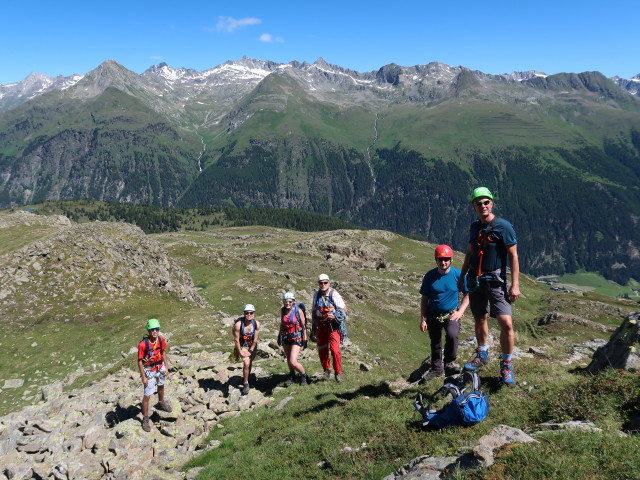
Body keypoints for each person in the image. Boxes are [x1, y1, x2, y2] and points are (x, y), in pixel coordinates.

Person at [457, 187, 521, 387]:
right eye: (479, 203)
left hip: (496, 281)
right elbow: (469, 252)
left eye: (486, 202)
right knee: (480, 317)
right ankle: (482, 353)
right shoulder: (474, 227)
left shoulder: (504, 227)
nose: (483, 206)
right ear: (474, 206)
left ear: (491, 203)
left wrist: (515, 285)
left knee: (506, 323)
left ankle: (507, 363)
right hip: (476, 280)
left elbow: (513, 256)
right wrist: (462, 275)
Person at [419, 244, 470, 381]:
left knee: (452, 336)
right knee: (435, 342)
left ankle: (449, 363)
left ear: (451, 260)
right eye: (440, 259)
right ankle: (436, 368)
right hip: (433, 314)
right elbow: (425, 298)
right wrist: (423, 318)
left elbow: (467, 295)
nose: (443, 262)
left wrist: (460, 312)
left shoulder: (458, 275)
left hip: (451, 313)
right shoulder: (430, 276)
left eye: (446, 259)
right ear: (436, 260)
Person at [137, 318, 172, 432]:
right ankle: (145, 419)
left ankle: (161, 403)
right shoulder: (143, 345)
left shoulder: (161, 340)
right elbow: (140, 361)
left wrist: (166, 366)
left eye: (157, 329)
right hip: (149, 370)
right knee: (147, 395)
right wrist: (143, 376)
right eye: (152, 329)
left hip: (159, 366)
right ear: (148, 330)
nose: (155, 331)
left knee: (161, 385)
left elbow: (163, 353)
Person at [311, 274, 347, 383]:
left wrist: (334, 315)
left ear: (329, 283)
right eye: (321, 283)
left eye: (325, 282)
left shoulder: (334, 294)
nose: (323, 285)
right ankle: (326, 371)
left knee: (335, 350)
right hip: (321, 326)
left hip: (333, 327)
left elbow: (344, 309)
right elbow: (313, 310)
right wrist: (313, 326)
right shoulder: (316, 295)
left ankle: (338, 373)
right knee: (322, 350)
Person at [278, 292, 308, 386]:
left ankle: (303, 375)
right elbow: (282, 324)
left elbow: (303, 326)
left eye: (290, 302)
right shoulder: (283, 310)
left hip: (296, 337)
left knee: (293, 361)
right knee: (288, 358)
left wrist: (305, 340)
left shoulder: (298, 311)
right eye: (286, 301)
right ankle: (292, 375)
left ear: (293, 302)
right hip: (286, 337)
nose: (287, 303)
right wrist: (279, 336)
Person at [233, 304, 261, 395]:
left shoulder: (256, 324)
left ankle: (248, 377)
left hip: (252, 345)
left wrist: (251, 350)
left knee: (250, 362)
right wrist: (240, 352)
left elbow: (256, 339)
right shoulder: (238, 325)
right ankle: (245, 383)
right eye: (247, 313)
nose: (249, 315)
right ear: (244, 314)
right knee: (246, 363)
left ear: (253, 313)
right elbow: (236, 340)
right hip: (243, 345)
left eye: (251, 313)